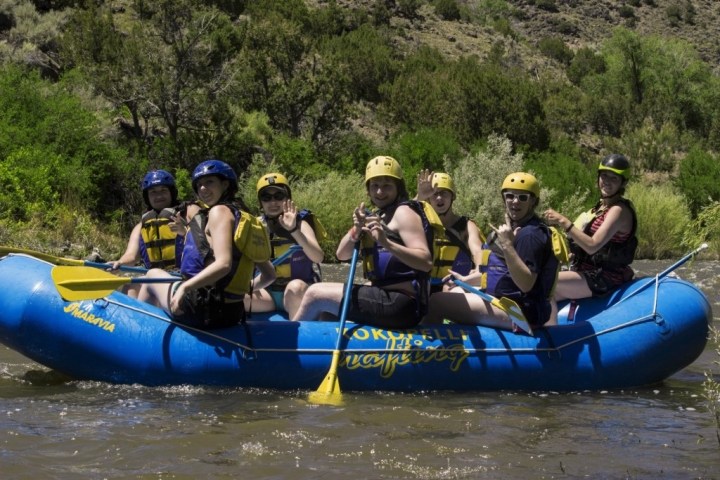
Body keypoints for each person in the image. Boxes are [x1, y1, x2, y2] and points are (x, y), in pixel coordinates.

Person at [291, 155, 434, 328]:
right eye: (375, 186)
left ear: (398, 187)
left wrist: (387, 243)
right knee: (326, 314)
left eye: (387, 185)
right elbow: (342, 255)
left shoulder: (404, 213)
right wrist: (357, 229)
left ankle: (287, 343)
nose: (380, 192)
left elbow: (425, 262)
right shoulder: (376, 216)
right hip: (382, 295)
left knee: (315, 293)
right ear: (368, 190)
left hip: (401, 302)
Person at [137, 160, 275, 330]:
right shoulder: (244, 218)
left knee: (151, 274)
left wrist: (185, 287)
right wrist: (240, 289)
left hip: (202, 309)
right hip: (232, 311)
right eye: (199, 184)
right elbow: (270, 275)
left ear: (225, 184)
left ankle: (139, 331)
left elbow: (224, 265)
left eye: (209, 182)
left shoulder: (219, 212)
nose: (203, 188)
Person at [422, 172, 559, 330]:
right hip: (507, 302)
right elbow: (499, 273)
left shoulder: (530, 234)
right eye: (510, 196)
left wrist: (507, 246)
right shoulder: (514, 228)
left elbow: (526, 285)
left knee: (436, 302)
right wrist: (465, 280)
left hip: (519, 314)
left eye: (523, 197)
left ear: (533, 201)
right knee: (454, 289)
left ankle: (430, 351)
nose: (515, 201)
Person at [543, 154, 637, 323]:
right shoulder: (600, 207)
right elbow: (583, 244)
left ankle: (551, 339)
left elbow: (593, 246)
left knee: (546, 282)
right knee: (539, 290)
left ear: (623, 183)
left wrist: (563, 221)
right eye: (604, 176)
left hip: (604, 276)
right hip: (584, 270)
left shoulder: (618, 211)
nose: (606, 181)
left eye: (613, 178)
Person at [245, 172, 326, 319]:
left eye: (278, 196)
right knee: (235, 294)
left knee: (295, 287)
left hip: (296, 292)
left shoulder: (301, 223)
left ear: (287, 198)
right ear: (260, 202)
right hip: (266, 293)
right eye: (266, 197)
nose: (273, 202)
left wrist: (293, 230)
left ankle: (298, 335)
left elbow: (318, 257)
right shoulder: (255, 226)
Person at [109, 170, 189, 297]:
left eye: (163, 190)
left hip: (181, 277)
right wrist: (119, 263)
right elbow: (131, 255)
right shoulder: (141, 226)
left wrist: (184, 232)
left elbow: (202, 245)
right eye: (153, 192)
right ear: (147, 197)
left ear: (171, 193)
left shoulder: (186, 215)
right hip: (153, 276)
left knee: (146, 283)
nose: (158, 196)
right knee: (131, 287)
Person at [416, 170, 485, 293]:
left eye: (444, 193)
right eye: (434, 194)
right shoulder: (421, 223)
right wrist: (419, 197)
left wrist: (479, 270)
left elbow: (478, 252)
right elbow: (402, 214)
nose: (439, 198)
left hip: (455, 284)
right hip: (425, 284)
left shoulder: (466, 226)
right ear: (428, 199)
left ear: (452, 196)